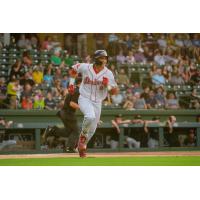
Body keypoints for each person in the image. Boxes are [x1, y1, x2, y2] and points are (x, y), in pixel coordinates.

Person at [69, 50, 118, 157]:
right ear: (96, 59)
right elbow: (73, 70)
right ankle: (82, 138)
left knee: (92, 129)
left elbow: (115, 91)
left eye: (105, 58)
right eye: (102, 58)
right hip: (84, 98)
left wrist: (108, 86)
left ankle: (81, 147)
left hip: (98, 102)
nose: (104, 60)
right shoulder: (85, 67)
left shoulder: (108, 73)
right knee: (90, 116)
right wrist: (71, 83)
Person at [43, 77, 81, 153]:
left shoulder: (73, 89)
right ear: (80, 82)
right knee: (76, 131)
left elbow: (66, 99)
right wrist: (82, 107)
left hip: (63, 112)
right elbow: (72, 103)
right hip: (68, 113)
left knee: (69, 131)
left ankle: (52, 130)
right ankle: (69, 148)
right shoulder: (77, 91)